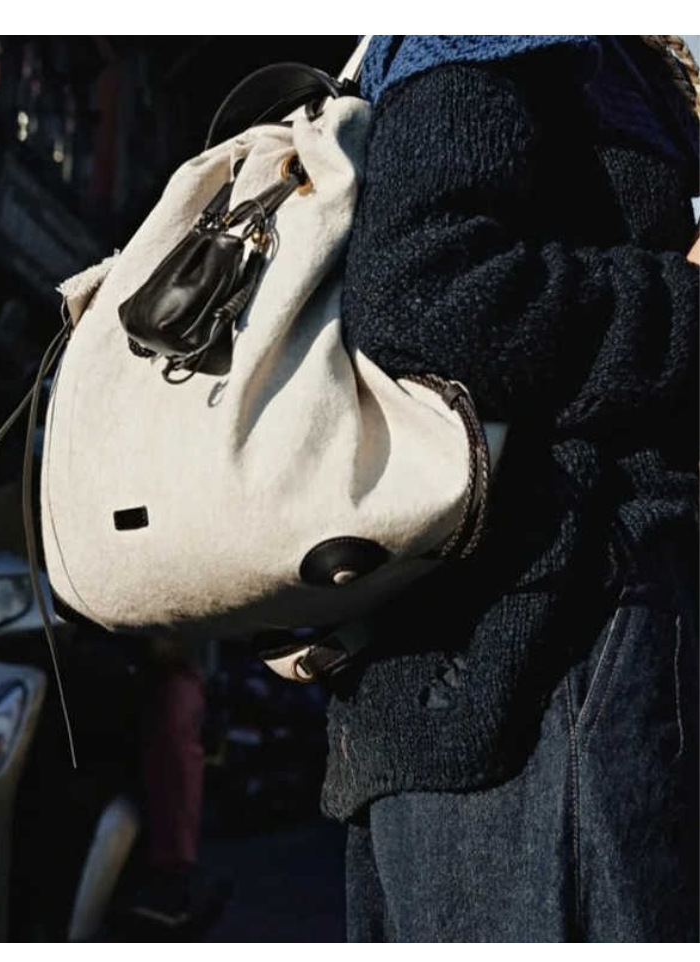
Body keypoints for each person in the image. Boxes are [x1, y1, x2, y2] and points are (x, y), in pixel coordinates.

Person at [320, 35, 699, 942]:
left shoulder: (625, 64)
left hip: (536, 671)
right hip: (543, 667)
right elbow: (427, 293)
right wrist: (688, 298)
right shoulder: (504, 31)